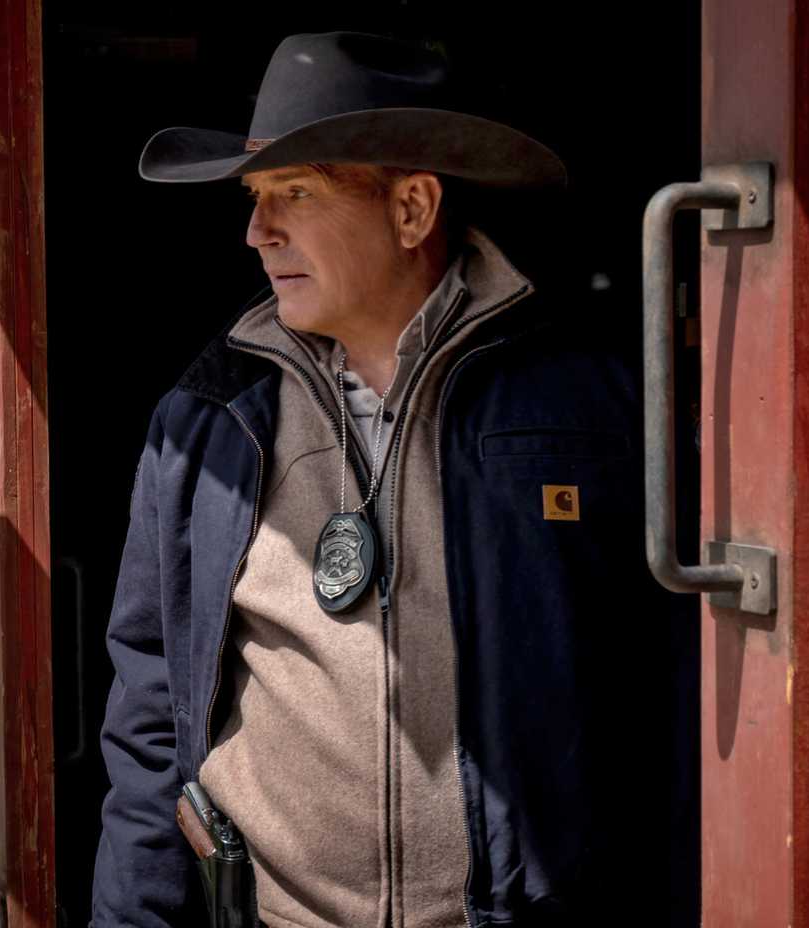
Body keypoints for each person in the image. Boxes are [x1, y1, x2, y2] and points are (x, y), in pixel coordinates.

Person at [91, 31, 693, 927]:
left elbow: (673, 690)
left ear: (412, 209)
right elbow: (148, 712)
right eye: (257, 198)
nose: (256, 231)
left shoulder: (590, 408)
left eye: (295, 192)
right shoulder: (209, 420)